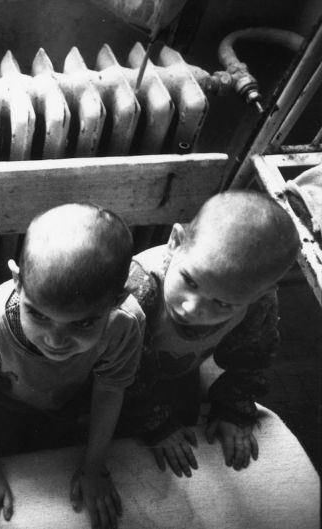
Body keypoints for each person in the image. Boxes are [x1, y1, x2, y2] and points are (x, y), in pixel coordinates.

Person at [0, 204, 144, 529]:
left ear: (118, 299)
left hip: (72, 408)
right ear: (17, 281)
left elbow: (111, 390)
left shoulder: (124, 324)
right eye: (39, 315)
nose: (56, 341)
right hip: (4, 410)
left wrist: (94, 466)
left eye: (83, 323)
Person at [120, 190, 300, 478]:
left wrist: (233, 409)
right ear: (175, 242)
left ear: (259, 294)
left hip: (177, 370)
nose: (191, 308)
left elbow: (253, 360)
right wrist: (157, 423)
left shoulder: (257, 303)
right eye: (190, 281)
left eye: (222, 303)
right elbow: (121, 370)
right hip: (121, 379)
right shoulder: (138, 288)